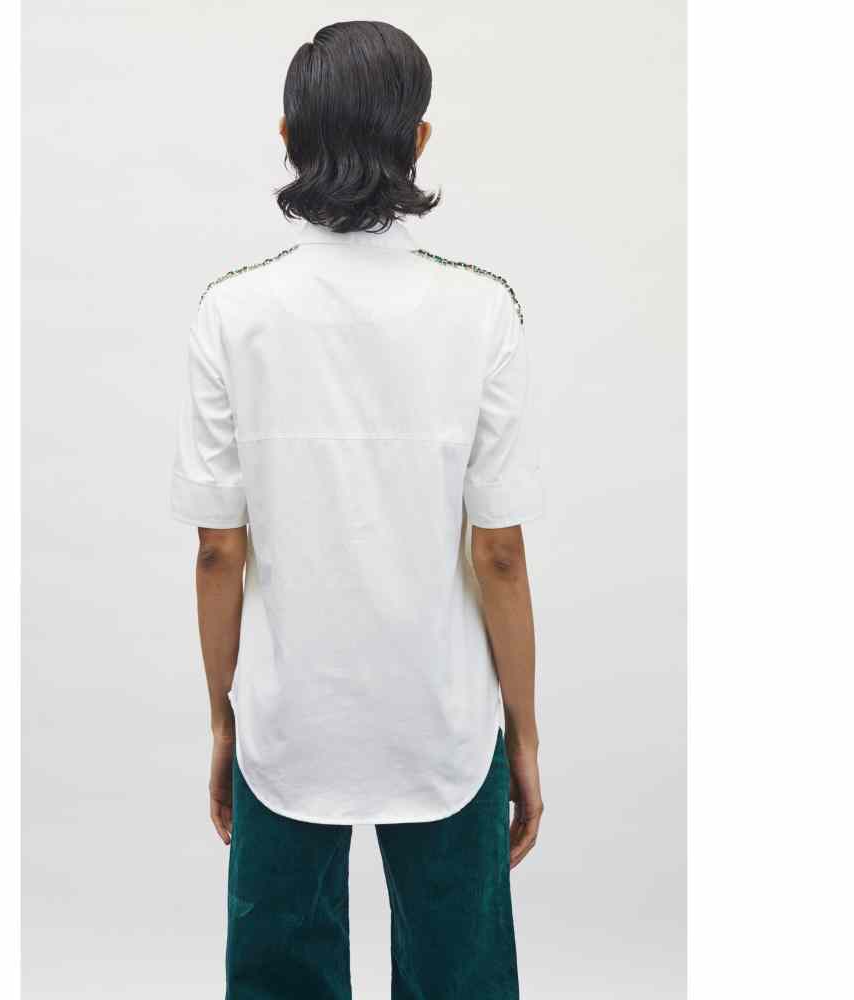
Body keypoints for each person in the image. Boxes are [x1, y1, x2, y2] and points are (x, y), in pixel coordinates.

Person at [172, 20, 544, 999]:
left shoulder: (232, 312)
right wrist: (524, 732)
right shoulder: (482, 310)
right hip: (446, 720)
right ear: (418, 140)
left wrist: (221, 717)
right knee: (460, 980)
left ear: (288, 138)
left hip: (287, 720)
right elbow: (499, 553)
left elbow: (218, 551)